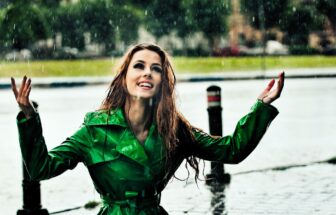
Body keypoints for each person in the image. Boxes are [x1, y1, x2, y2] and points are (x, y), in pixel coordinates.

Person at [11, 43, 284, 215]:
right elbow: (41, 168)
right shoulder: (95, 130)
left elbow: (231, 150)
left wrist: (261, 105)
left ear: (163, 82)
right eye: (139, 66)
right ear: (124, 77)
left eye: (156, 68)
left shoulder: (174, 130)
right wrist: (28, 116)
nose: (147, 73)